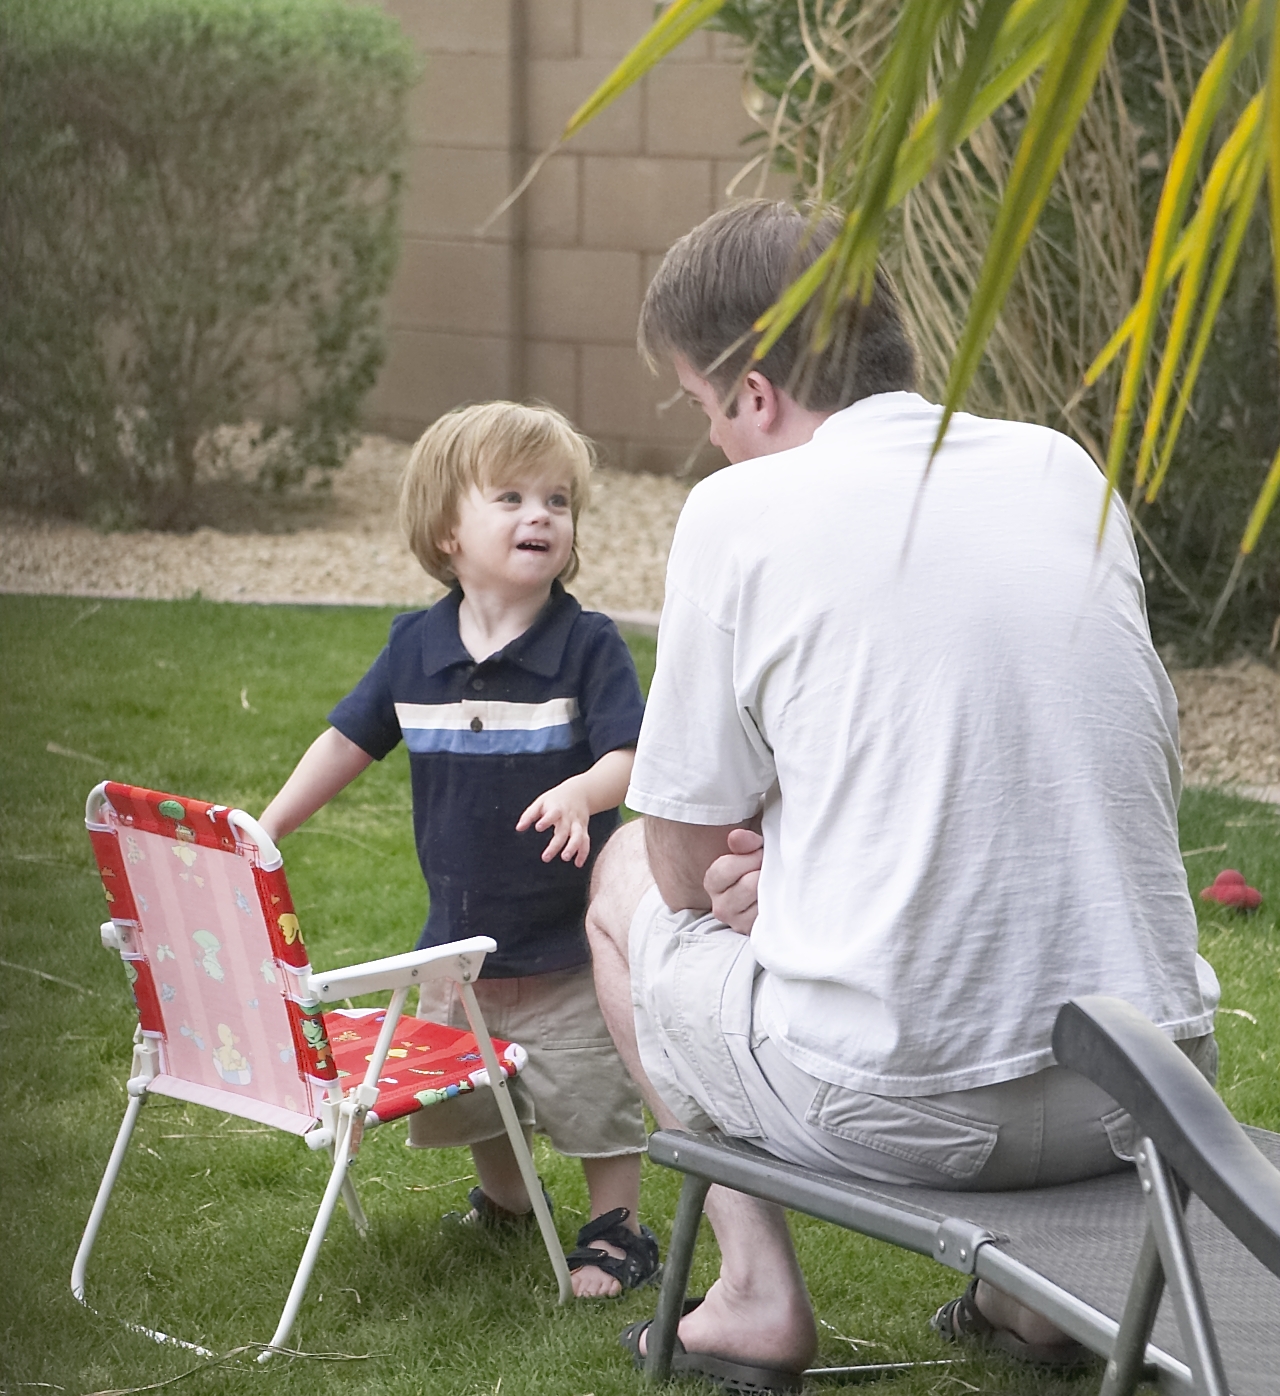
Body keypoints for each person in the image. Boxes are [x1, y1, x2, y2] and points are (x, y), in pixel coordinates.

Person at [584, 201, 1217, 1388]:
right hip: (1147, 1089)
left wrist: (774, 868)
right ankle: (1028, 1306)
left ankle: (752, 1292)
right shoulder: (1057, 468)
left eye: (698, 405)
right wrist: (808, 859)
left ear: (754, 394)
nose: (707, 438)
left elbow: (678, 865)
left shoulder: (739, 510)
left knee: (620, 878)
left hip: (906, 1103)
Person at [260, 401, 660, 1298]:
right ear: (448, 532)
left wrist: (584, 791)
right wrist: (272, 824)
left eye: (557, 500)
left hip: (566, 943)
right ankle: (509, 1202)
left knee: (591, 1092)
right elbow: (348, 741)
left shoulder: (586, 645)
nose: (540, 515)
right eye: (511, 497)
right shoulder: (416, 648)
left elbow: (629, 755)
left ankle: (617, 1229)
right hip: (460, 941)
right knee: (471, 1089)